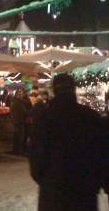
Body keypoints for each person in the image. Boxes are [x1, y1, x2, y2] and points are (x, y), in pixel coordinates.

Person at [28, 73, 106, 211]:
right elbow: (102, 155)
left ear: (54, 91)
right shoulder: (91, 117)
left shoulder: (44, 119)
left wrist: (47, 180)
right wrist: (95, 182)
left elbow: (36, 157)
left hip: (53, 191)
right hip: (84, 190)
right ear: (74, 89)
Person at [10, 89, 27, 155]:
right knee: (19, 136)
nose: (21, 95)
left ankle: (16, 149)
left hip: (15, 120)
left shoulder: (14, 101)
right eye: (20, 94)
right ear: (17, 95)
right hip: (18, 120)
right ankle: (18, 151)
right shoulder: (18, 102)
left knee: (16, 136)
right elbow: (24, 111)